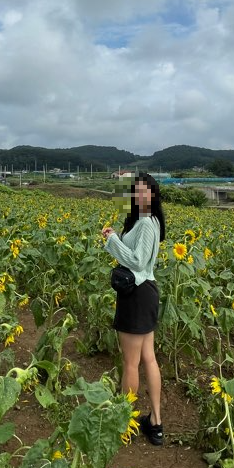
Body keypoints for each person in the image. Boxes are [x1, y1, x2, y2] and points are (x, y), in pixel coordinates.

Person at [101, 172, 165, 446]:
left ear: (152, 194)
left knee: (131, 363)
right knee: (148, 358)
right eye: (136, 192)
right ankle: (155, 421)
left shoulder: (148, 223)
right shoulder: (143, 220)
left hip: (137, 294)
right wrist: (116, 236)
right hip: (144, 292)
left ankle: (124, 421)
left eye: (145, 191)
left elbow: (137, 261)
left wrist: (113, 240)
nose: (140, 196)